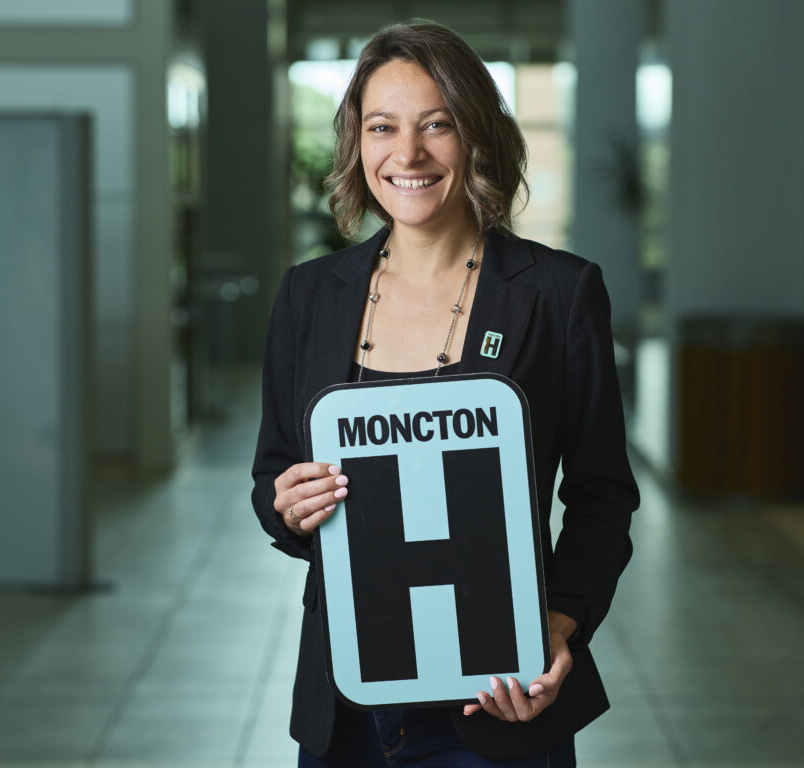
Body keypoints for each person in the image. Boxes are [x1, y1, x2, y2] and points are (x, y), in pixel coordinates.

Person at [251, 19, 639, 767]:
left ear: (478, 135)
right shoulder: (310, 297)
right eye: (382, 127)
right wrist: (289, 505)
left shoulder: (558, 294)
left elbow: (601, 494)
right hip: (350, 705)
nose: (408, 154)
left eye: (438, 125)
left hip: (500, 696)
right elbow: (273, 476)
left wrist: (558, 622)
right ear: (356, 144)